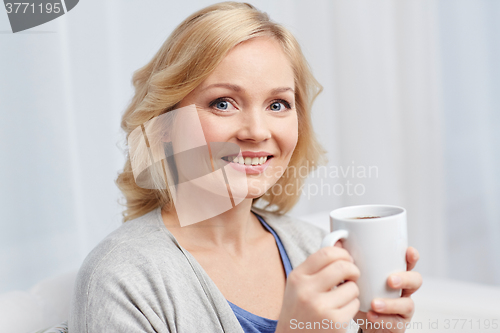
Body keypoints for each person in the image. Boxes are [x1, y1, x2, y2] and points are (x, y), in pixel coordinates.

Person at [69, 2, 422, 332]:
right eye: (223, 103)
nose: (257, 131)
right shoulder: (121, 276)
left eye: (278, 104)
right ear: (165, 127)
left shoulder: (316, 248)